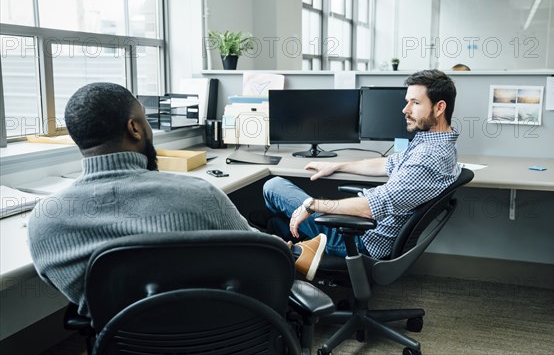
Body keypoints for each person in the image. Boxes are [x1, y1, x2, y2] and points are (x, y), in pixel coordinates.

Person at [28, 82, 325, 318]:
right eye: (146, 121)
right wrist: (282, 250)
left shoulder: (44, 221)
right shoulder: (199, 193)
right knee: (271, 248)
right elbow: (263, 258)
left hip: (126, 345)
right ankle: (294, 251)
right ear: (134, 128)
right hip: (222, 335)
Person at [263, 69, 460, 260]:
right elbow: (387, 163)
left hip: (361, 239)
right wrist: (338, 166)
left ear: (439, 107)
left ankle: (284, 251)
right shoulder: (437, 143)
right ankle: (288, 242)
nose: (405, 109)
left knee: (273, 187)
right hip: (368, 227)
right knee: (274, 220)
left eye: (415, 103)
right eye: (407, 101)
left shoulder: (427, 157)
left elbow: (370, 207)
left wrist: (313, 205)